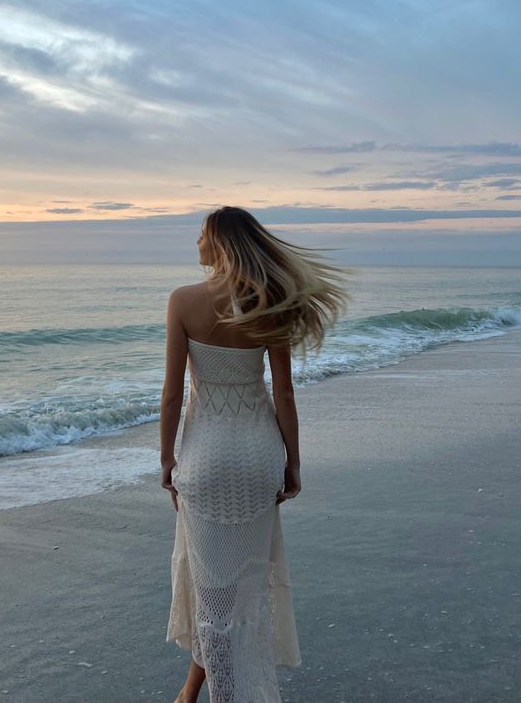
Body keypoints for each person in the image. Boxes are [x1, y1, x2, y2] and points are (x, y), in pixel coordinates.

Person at [160, 206, 353, 703]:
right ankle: (190, 693)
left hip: (203, 460)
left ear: (219, 243)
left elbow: (172, 394)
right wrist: (293, 460)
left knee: (213, 591)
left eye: (201, 236)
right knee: (236, 588)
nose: (196, 245)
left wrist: (166, 459)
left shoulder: (183, 300)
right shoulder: (269, 302)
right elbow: (284, 393)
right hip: (256, 457)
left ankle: (216, 695)